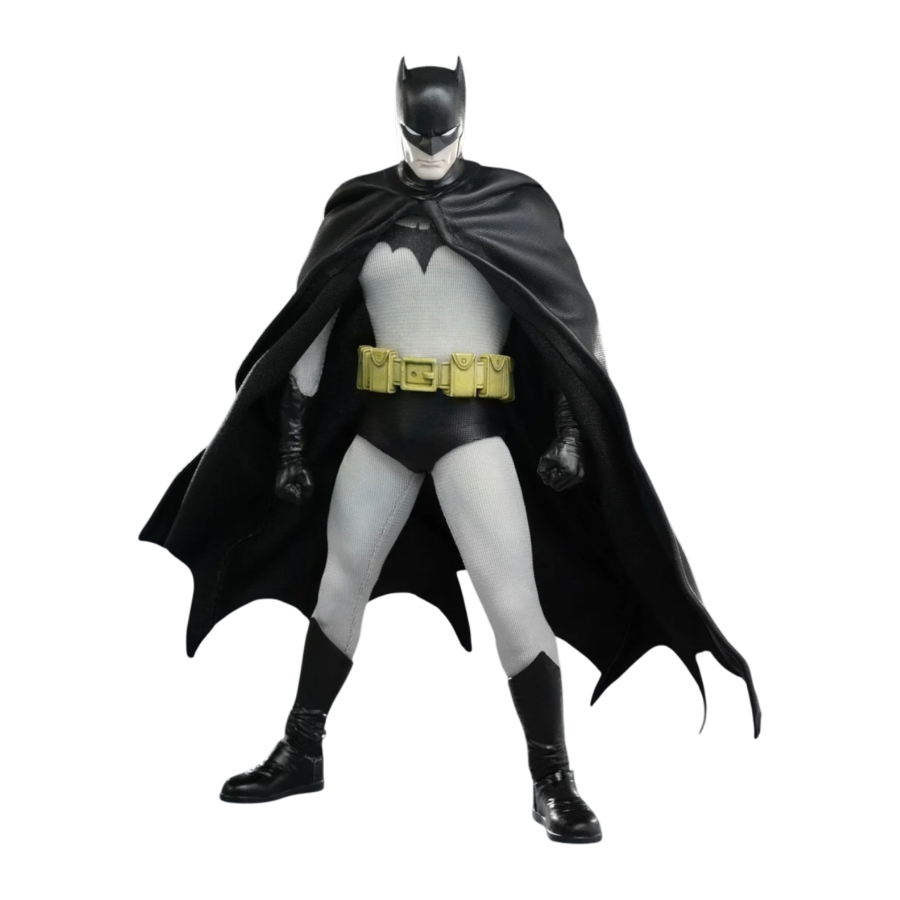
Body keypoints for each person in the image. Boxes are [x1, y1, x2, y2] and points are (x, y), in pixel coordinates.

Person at [139, 56, 761, 846]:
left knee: (513, 603)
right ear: (395, 122)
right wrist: (292, 443)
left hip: (472, 435)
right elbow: (309, 325)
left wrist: (572, 433)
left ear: (465, 122)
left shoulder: (514, 204)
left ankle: (554, 781)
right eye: (415, 135)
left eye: (445, 135)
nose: (430, 151)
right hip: (380, 433)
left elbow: (574, 331)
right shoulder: (357, 204)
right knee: (338, 589)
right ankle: (301, 752)